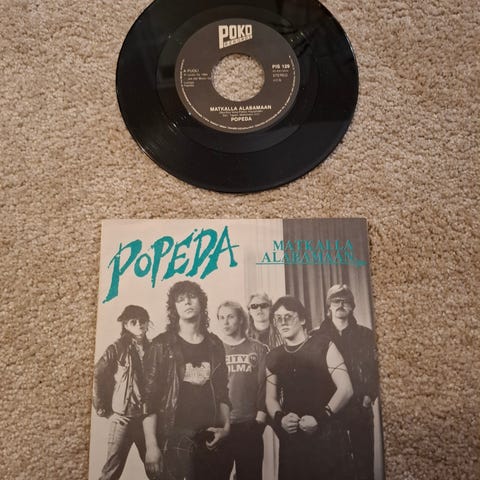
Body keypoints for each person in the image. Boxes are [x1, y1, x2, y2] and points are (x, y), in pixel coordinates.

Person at [142, 281, 231, 480]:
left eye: (192, 297)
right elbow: (149, 400)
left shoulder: (215, 344)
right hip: (173, 438)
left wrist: (226, 429)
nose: (187, 302)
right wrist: (151, 446)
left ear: (201, 302)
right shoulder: (161, 345)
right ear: (174, 308)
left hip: (210, 438)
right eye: (180, 299)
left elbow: (222, 392)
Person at [265, 295, 354, 480]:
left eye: (288, 316)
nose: (283, 322)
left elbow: (346, 389)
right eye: (278, 318)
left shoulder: (324, 345)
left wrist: (320, 418)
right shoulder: (273, 356)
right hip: (294, 439)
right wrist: (281, 419)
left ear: (303, 319)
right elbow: (270, 398)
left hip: (328, 434)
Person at [317, 284, 380, 480]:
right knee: (332, 466)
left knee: (363, 465)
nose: (340, 305)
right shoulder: (316, 337)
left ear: (352, 306)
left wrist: (369, 396)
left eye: (345, 301)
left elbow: (378, 370)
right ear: (329, 307)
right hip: (330, 409)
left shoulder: (367, 335)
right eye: (335, 301)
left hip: (360, 408)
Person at [93, 305, 151, 480]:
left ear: (148, 323)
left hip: (146, 419)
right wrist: (106, 412)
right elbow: (97, 375)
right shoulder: (117, 348)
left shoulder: (155, 348)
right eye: (133, 322)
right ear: (126, 325)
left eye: (142, 321)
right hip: (123, 418)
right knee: (111, 471)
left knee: (157, 469)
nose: (139, 325)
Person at [216, 301, 268, 480]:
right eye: (221, 317)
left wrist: (259, 418)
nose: (225, 322)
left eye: (230, 317)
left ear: (240, 319)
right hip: (221, 425)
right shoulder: (214, 349)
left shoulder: (258, 348)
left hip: (248, 424)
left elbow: (264, 385)